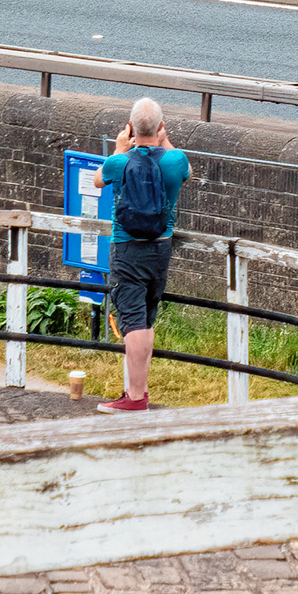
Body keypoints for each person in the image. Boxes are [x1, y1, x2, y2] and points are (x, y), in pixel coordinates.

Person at [93, 99, 191, 413]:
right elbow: (187, 170)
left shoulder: (119, 162)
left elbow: (98, 179)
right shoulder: (175, 160)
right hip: (161, 247)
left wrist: (120, 147)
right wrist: (164, 139)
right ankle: (140, 390)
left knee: (132, 320)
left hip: (127, 248)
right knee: (146, 319)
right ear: (160, 127)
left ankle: (135, 397)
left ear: (131, 128)